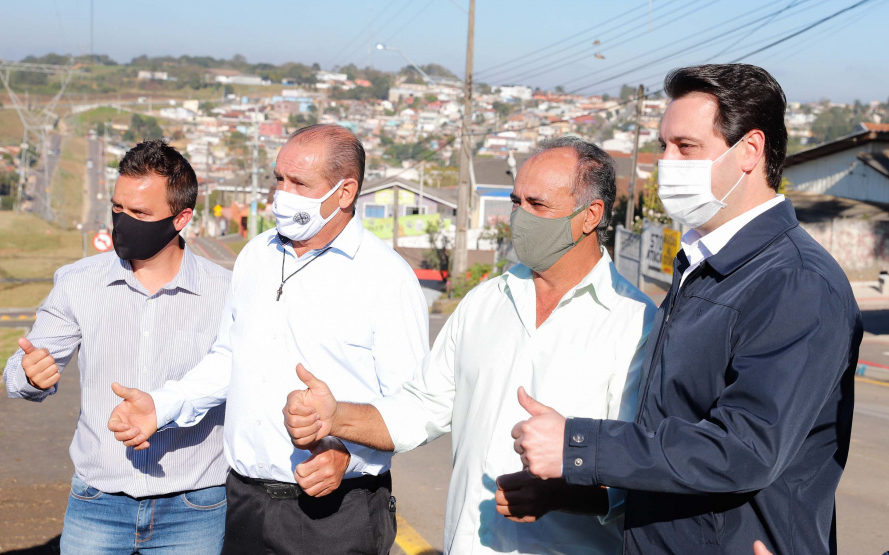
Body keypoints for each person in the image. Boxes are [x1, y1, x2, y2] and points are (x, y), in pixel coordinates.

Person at [512, 64, 863, 555]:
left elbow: (744, 449)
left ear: (750, 151)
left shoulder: (795, 281)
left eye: (687, 147)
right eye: (663, 145)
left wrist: (580, 445)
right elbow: (672, 437)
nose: (666, 163)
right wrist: (579, 489)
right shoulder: (705, 265)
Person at [283, 136, 658, 554]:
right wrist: (336, 417)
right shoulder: (485, 301)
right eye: (516, 202)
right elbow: (421, 407)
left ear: (590, 215)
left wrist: (559, 495)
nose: (519, 218)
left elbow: (641, 473)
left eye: (538, 205)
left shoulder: (635, 323)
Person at [107, 124, 429, 555]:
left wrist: (348, 455)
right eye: (279, 179)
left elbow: (413, 408)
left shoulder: (387, 278)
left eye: (299, 182)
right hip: (243, 505)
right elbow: (229, 357)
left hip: (334, 515)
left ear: (345, 191)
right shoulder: (256, 255)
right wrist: (162, 406)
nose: (283, 194)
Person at [3, 140, 232, 554]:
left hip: (192, 508)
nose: (123, 222)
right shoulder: (77, 282)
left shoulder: (226, 292)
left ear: (181, 218)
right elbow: (20, 371)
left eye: (141, 213)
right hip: (98, 503)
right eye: (118, 208)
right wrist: (31, 374)